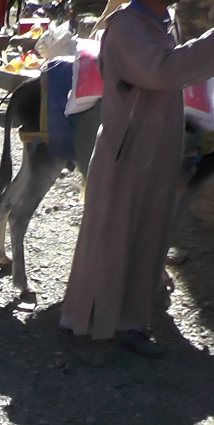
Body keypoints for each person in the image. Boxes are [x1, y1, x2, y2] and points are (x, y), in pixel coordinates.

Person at [60, 0, 214, 363]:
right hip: (128, 152)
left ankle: (129, 320)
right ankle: (98, 325)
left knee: (146, 233)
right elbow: (163, 71)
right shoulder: (129, 26)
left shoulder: (157, 21)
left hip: (152, 150)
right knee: (116, 236)